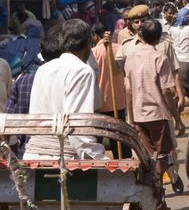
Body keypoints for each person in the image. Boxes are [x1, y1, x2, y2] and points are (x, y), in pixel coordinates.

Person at [23, 19, 108, 160]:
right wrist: (99, 159)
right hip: (63, 159)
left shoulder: (43, 69)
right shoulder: (82, 70)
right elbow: (78, 128)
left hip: (33, 156)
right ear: (87, 43)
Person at [125, 20, 185, 210]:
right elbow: (168, 92)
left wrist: (131, 117)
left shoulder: (132, 58)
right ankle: (151, 181)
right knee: (165, 156)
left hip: (140, 113)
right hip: (157, 114)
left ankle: (158, 204)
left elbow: (128, 90)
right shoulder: (159, 58)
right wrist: (177, 118)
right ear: (159, 37)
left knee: (152, 157)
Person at [4, 25, 63, 157]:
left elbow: (8, 116)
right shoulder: (67, 78)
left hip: (26, 152)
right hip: (61, 153)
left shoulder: (23, 80)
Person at [91, 22, 132, 159]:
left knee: (96, 141)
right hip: (118, 101)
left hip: (100, 103)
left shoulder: (93, 53)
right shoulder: (120, 48)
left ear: (95, 36)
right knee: (119, 141)